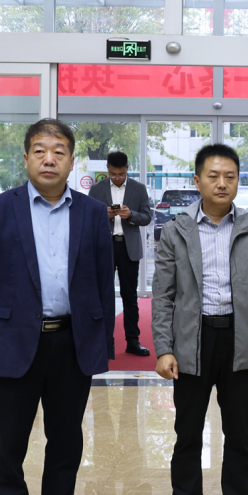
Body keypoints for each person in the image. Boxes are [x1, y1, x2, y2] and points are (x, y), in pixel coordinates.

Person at [0, 118, 115, 495]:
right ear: (26, 158)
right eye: (39, 150)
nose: (49, 159)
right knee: (9, 448)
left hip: (72, 343)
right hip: (13, 344)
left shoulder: (93, 213)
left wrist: (102, 343)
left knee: (66, 442)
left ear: (71, 161)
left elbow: (103, 282)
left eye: (58, 151)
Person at [152, 143, 248, 495]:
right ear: (197, 181)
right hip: (192, 342)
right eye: (213, 176)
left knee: (238, 435)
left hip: (238, 343)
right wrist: (164, 348)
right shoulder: (176, 231)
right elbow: (163, 295)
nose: (222, 183)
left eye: (230, 176)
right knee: (187, 436)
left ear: (238, 181)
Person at [88, 151, 153, 356]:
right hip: (104, 247)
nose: (117, 178)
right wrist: (103, 214)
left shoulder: (139, 188)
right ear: (107, 169)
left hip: (128, 248)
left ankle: (133, 341)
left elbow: (147, 217)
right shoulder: (96, 189)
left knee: (130, 296)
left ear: (127, 169)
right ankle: (104, 341)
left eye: (121, 174)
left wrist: (131, 215)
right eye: (113, 174)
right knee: (103, 295)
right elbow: (88, 217)